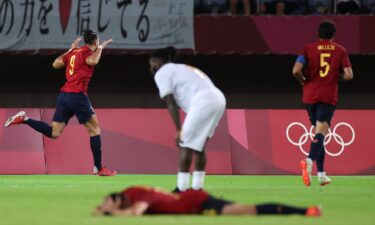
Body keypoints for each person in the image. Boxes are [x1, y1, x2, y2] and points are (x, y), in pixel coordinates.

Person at [4, 30, 117, 176]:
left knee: (54, 133)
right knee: (94, 130)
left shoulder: (74, 52)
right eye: (98, 41)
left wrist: (70, 50)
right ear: (95, 41)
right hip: (78, 96)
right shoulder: (88, 53)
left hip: (65, 96)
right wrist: (102, 47)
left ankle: (24, 119)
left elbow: (55, 64)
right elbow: (93, 61)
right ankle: (98, 168)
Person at [149, 47, 226, 192]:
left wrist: (179, 129)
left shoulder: (162, 72)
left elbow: (169, 100)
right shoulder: (181, 68)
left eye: (152, 63)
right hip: (219, 98)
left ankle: (181, 188)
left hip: (204, 100)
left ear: (158, 62)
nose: (151, 67)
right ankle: (198, 188)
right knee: (199, 145)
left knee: (186, 144)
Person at [292, 21, 354, 187]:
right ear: (334, 34)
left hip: (309, 96)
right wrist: (335, 77)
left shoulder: (307, 48)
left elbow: (295, 70)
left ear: (318, 33)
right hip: (327, 96)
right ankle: (309, 160)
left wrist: (303, 81)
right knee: (321, 132)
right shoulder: (340, 50)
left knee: (319, 133)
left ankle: (321, 175)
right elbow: (349, 75)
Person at [94, 186, 322, 216]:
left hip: (199, 202)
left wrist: (109, 213)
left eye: (107, 202)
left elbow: (136, 213)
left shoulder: (138, 196)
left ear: (118, 199)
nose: (104, 206)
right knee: (246, 210)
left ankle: (307, 211)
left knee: (248, 211)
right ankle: (306, 211)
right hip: (192, 200)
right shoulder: (131, 194)